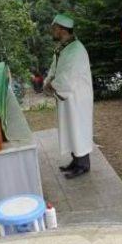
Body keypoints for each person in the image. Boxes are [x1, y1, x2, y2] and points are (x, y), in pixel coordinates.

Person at [44, 14, 94, 180]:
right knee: (71, 128)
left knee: (78, 129)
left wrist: (52, 85)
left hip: (77, 97)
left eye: (55, 28)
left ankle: (83, 165)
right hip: (69, 97)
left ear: (62, 29)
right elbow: (55, 67)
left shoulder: (76, 49)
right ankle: (76, 160)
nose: (53, 31)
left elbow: (68, 76)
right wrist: (48, 80)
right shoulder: (65, 47)